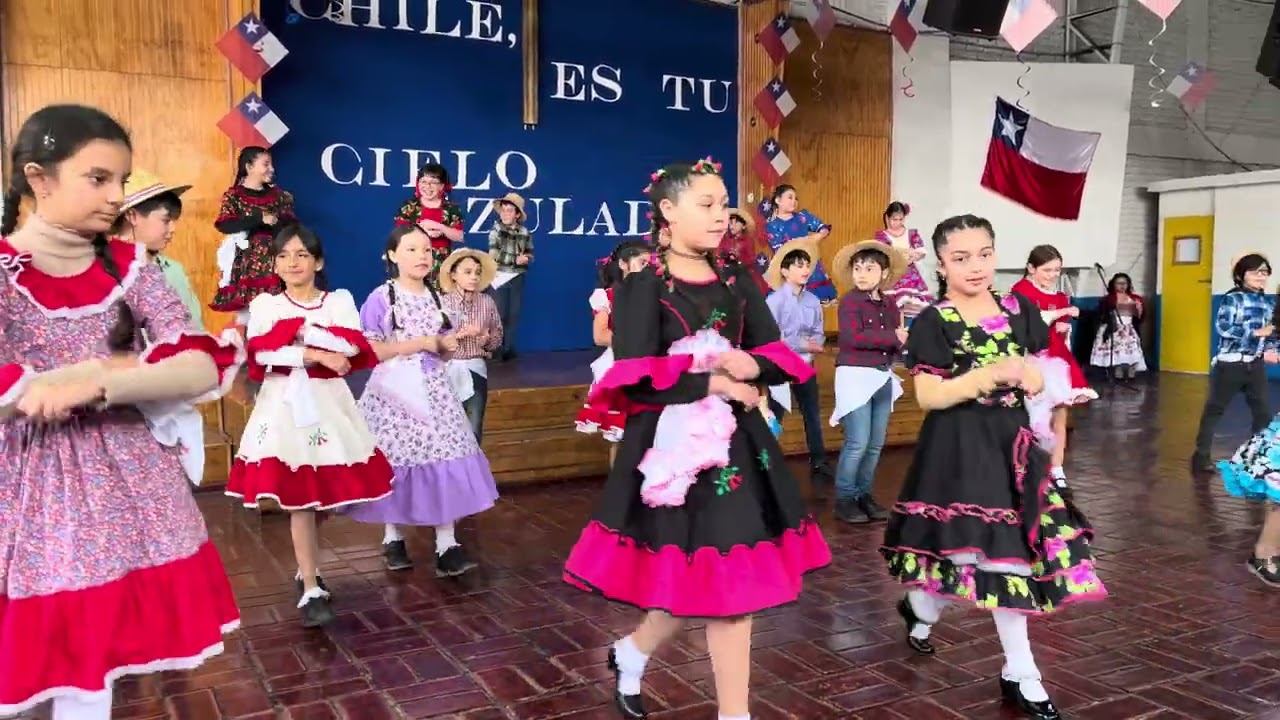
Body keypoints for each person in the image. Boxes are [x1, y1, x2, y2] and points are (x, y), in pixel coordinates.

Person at [562, 158, 830, 720]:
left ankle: (701, 693)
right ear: (667, 211)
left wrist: (751, 367)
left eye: (722, 202)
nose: (720, 215)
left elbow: (776, 352)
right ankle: (635, 653)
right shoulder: (641, 286)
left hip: (738, 449)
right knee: (696, 579)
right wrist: (711, 379)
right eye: (705, 204)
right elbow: (633, 376)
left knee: (726, 582)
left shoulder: (738, 279)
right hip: (672, 452)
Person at [0, 103, 243, 718]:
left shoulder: (134, 268)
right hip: (25, 484)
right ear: (39, 178)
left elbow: (199, 362)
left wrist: (96, 380)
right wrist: (117, 370)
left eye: (121, 182)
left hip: (125, 484)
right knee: (27, 658)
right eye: (98, 179)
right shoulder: (5, 272)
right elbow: (15, 392)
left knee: (93, 668)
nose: (116, 197)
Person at [882, 215, 1105, 720]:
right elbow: (930, 395)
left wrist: (1036, 379)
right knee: (983, 552)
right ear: (940, 263)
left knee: (1007, 554)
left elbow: (1036, 365)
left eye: (984, 253)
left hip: (1014, 445)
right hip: (958, 447)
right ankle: (1014, 668)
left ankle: (1006, 664)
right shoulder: (933, 319)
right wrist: (985, 376)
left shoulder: (1016, 307)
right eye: (961, 258)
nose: (976, 266)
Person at [227, 225, 429, 626]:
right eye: (283, 256)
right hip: (284, 406)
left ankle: (308, 566)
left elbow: (351, 344)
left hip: (329, 407)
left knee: (328, 499)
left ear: (317, 261)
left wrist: (301, 337)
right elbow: (264, 351)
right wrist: (316, 351)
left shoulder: (338, 300)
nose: (292, 263)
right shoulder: (266, 304)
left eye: (301, 254)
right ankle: (310, 583)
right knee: (299, 498)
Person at [345, 228, 499, 577]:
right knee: (396, 461)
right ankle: (393, 536)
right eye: (411, 249)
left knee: (445, 457)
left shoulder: (439, 299)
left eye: (427, 250)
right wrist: (421, 343)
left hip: (435, 390)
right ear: (393, 255)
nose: (421, 256)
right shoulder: (381, 298)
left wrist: (455, 341)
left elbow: (443, 349)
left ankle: (447, 543)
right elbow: (373, 350)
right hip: (395, 393)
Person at [828, 239, 909, 524]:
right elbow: (853, 338)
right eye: (858, 268)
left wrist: (905, 345)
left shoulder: (889, 303)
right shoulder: (850, 301)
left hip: (882, 376)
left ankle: (864, 494)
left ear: (884, 273)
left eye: (869, 268)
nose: (861, 274)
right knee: (857, 443)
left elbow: (895, 344)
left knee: (875, 444)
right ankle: (845, 498)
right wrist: (894, 339)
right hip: (854, 377)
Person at [1011, 246, 1096, 490]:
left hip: (1058, 359)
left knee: (1060, 416)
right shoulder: (1020, 291)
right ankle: (1027, 467)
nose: (1052, 275)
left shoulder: (1058, 295)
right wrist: (1064, 312)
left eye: (1056, 270)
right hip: (1032, 361)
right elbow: (1032, 320)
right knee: (1031, 418)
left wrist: (1065, 326)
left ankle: (1057, 468)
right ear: (1031, 268)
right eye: (1047, 270)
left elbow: (1061, 326)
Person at [1191, 252, 1276, 474]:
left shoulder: (1266, 302)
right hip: (1230, 365)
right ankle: (1201, 457)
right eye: (1255, 272)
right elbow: (1224, 328)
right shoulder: (1232, 298)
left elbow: (1271, 334)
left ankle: (1256, 458)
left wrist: (1272, 349)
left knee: (1264, 414)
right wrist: (1256, 333)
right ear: (1241, 275)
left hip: (1255, 365)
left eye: (1265, 272)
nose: (1261, 276)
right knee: (1215, 410)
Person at [763, 239, 832, 487]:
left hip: (805, 364)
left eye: (806, 265)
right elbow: (772, 337)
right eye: (798, 265)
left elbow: (819, 334)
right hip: (779, 366)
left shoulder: (813, 301)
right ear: (784, 271)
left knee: (812, 414)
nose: (805, 270)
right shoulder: (774, 301)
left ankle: (819, 461)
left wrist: (800, 342)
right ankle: (766, 462)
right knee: (775, 414)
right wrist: (802, 343)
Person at [210, 146, 295, 321]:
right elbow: (225, 224)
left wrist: (276, 223)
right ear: (249, 167)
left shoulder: (279, 196)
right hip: (248, 267)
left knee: (277, 317)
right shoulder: (234, 196)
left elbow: (290, 226)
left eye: (271, 164)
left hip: (275, 263)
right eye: (265, 164)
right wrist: (258, 220)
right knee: (247, 320)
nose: (271, 169)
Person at [111, 169, 202, 326]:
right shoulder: (103, 275)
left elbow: (196, 332)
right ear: (132, 216)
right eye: (165, 220)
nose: (172, 229)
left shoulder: (173, 270)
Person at [440, 248, 504, 440]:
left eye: (477, 272)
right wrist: (460, 334)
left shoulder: (487, 302)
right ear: (453, 275)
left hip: (476, 369)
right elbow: (433, 341)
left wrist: (487, 340)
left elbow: (498, 336)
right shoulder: (442, 303)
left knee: (475, 429)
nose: (474, 277)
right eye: (467, 272)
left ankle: (473, 469)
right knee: (447, 428)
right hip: (447, 371)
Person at [393, 162, 464, 288]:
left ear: (442, 186)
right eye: (423, 182)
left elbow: (459, 236)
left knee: (440, 302)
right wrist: (422, 232)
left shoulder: (451, 208)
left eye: (433, 182)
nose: (428, 186)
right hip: (414, 261)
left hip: (442, 264)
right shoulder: (409, 207)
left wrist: (440, 228)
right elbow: (400, 235)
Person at [486, 192, 531, 361]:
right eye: (503, 210)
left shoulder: (524, 232)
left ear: (517, 214)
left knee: (513, 313)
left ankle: (508, 348)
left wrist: (527, 258)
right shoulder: (496, 230)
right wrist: (515, 259)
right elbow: (493, 254)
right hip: (499, 276)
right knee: (499, 313)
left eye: (509, 210)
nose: (505, 213)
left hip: (517, 276)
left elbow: (529, 251)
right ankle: (495, 349)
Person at [873, 201, 933, 317]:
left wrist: (914, 255)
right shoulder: (882, 235)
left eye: (900, 219)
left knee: (912, 305)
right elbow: (883, 254)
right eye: (894, 219)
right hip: (892, 273)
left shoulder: (911, 233)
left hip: (910, 274)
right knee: (892, 307)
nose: (897, 223)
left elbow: (921, 250)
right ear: (887, 218)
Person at [1088, 272, 1147, 381]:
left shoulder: (1135, 298)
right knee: (1116, 350)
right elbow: (1101, 314)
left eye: (1124, 283)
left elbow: (1140, 317)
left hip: (1128, 327)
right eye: (1119, 283)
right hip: (1113, 327)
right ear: (1113, 284)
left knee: (1132, 350)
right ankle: (1117, 372)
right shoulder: (1108, 299)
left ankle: (1131, 372)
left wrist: (1139, 310)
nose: (1122, 285)